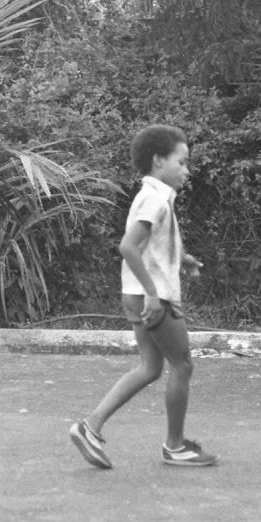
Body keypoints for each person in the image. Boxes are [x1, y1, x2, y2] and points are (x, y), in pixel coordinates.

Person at [69, 123, 216, 468]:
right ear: (158, 161)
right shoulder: (155, 199)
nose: (186, 170)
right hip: (153, 297)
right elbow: (128, 246)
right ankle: (175, 446)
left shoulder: (153, 196)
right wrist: (152, 294)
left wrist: (181, 259)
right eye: (181, 162)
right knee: (182, 365)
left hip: (136, 294)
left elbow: (152, 245)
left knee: (150, 368)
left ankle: (90, 427)